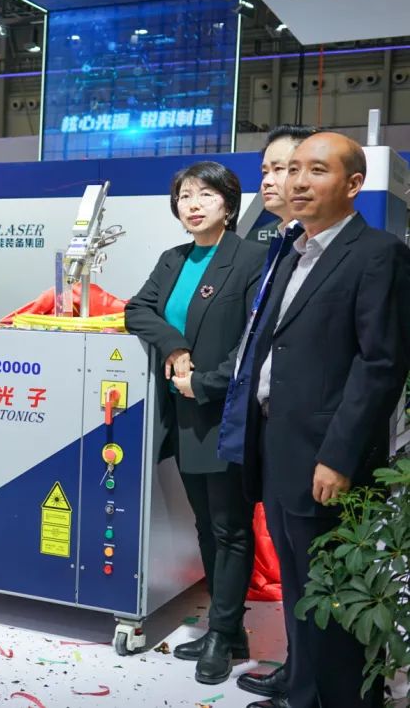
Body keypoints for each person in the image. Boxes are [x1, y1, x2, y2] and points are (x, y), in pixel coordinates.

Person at [237, 132, 410, 708]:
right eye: (293, 171)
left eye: (316, 170)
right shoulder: (294, 250)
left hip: (329, 459)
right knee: (300, 590)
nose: (298, 182)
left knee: (332, 597)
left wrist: (338, 456)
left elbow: (380, 365)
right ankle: (303, 692)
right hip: (281, 446)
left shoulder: (377, 253)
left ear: (353, 184)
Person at [124, 161, 266, 684]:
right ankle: (226, 630)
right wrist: (174, 346)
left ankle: (224, 633)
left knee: (230, 527)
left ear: (228, 204)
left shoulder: (251, 259)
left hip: (223, 412)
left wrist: (203, 382)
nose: (193, 204)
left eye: (206, 194)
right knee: (207, 524)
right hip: (181, 414)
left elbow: (253, 342)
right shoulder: (174, 259)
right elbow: (137, 310)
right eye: (185, 195)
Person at [218, 123, 316, 702]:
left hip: (308, 438)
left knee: (308, 565)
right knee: (292, 562)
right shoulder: (282, 245)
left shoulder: (343, 253)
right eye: (268, 170)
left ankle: (310, 681)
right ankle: (297, 670)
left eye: (286, 168)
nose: (274, 180)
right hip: (269, 429)